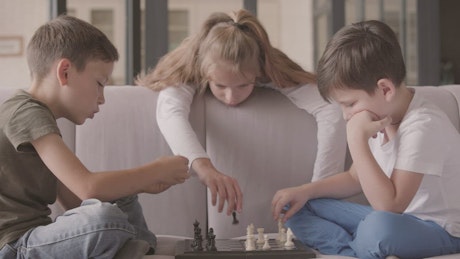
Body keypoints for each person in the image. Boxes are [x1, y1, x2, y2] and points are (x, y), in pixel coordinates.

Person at [0, 15, 190, 259]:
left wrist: (139, 185)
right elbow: (87, 186)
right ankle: (133, 247)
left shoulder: (39, 120)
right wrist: (154, 170)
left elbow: (75, 200)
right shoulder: (26, 113)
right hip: (15, 246)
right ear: (65, 72)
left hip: (35, 237)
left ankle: (135, 248)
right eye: (99, 83)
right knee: (104, 218)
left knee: (119, 199)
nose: (102, 98)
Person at [271, 20, 460, 259]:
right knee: (296, 207)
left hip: (441, 229)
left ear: (385, 90)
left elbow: (391, 205)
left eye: (350, 104)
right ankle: (360, 248)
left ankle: (363, 244)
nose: (346, 115)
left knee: (379, 227)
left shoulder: (423, 125)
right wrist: (305, 190)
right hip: (395, 221)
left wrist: (357, 140)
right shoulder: (381, 115)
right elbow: (354, 177)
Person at [136, 9, 346, 216]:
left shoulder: (269, 66)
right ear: (203, 71)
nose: (231, 97)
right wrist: (204, 167)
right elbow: (170, 112)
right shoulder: (189, 65)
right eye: (219, 86)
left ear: (260, 73)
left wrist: (320, 190)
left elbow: (331, 107)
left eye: (244, 86)